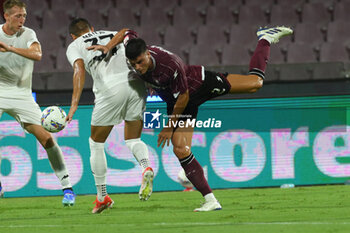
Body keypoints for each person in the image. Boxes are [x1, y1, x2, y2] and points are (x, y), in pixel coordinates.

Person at [88, 25, 293, 212]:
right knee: (180, 149)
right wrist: (107, 46)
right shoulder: (131, 50)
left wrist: (169, 127)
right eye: (134, 64)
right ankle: (211, 200)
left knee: (255, 84)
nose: (138, 67)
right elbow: (125, 31)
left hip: (198, 84)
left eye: (140, 62)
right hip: (177, 100)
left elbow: (184, 97)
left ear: (148, 54)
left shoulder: (170, 65)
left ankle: (265, 37)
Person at [65, 18, 154, 214]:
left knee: (96, 143)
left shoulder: (74, 45)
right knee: (133, 139)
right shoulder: (111, 32)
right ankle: (146, 167)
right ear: (93, 28)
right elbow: (128, 33)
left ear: (72, 36)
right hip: (135, 84)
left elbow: (79, 70)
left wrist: (73, 106)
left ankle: (102, 196)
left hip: (110, 89)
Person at [0, 0, 75, 205]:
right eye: (18, 16)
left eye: (24, 15)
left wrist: (10, 48)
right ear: (6, 16)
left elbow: (38, 55)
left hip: (22, 95)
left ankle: (67, 187)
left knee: (47, 139)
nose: (22, 20)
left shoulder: (27, 34)